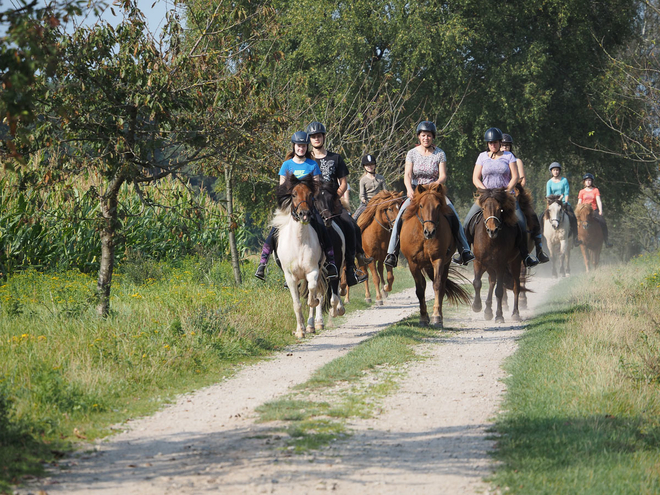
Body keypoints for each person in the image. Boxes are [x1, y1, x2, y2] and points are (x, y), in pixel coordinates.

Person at [383, 121, 475, 268]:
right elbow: (407, 174)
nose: (426, 138)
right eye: (423, 135)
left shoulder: (440, 153)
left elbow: (443, 175)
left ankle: (464, 249)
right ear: (419, 137)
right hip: (416, 191)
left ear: (433, 137)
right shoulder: (411, 153)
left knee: (453, 212)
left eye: (429, 136)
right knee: (400, 214)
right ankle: (392, 252)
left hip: (435, 191)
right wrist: (409, 189)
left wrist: (435, 185)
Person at [255, 131, 339, 281]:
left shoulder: (312, 164)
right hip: (290, 207)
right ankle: (263, 263)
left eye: (304, 146)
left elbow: (317, 187)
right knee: (274, 231)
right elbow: (282, 188)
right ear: (294, 146)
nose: (301, 148)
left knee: (322, 227)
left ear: (307, 147)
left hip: (308, 205)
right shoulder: (286, 165)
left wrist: (308, 198)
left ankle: (331, 263)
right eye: (299, 146)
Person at [463, 127, 549, 267]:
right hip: (486, 197)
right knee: (467, 221)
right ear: (487, 143)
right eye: (490, 143)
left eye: (495, 142)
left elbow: (515, 177)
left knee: (521, 222)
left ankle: (525, 255)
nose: (493, 145)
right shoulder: (482, 157)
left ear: (499, 142)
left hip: (505, 197)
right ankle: (465, 252)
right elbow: (475, 178)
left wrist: (507, 191)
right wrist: (485, 191)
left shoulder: (508, 157)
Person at [306, 121, 372, 286]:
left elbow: (343, 183)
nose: (316, 139)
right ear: (310, 139)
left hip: (332, 202)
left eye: (319, 136)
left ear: (323, 137)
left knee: (351, 225)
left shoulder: (335, 158)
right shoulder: (305, 160)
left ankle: (350, 269)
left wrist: (336, 196)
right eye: (313, 137)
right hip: (312, 203)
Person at [545, 162, 580, 247]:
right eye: (554, 170)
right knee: (542, 216)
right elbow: (548, 195)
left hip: (563, 202)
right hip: (553, 204)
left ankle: (575, 238)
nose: (556, 172)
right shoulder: (549, 182)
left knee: (573, 217)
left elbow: (566, 193)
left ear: (559, 171)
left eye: (557, 170)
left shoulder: (564, 180)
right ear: (551, 172)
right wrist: (550, 204)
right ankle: (542, 238)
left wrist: (565, 202)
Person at [577, 172, 612, 247]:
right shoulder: (581, 191)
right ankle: (577, 239)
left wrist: (600, 211)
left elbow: (598, 200)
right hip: (584, 211)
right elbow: (579, 202)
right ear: (584, 182)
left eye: (589, 180)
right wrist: (578, 211)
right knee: (577, 223)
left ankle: (606, 240)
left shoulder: (595, 190)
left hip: (593, 210)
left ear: (592, 181)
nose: (588, 182)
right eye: (586, 180)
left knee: (602, 222)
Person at [352, 154, 388, 221]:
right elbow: (362, 196)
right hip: (366, 204)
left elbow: (385, 192)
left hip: (379, 202)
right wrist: (366, 201)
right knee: (354, 219)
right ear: (364, 167)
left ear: (375, 165)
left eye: (371, 164)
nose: (370, 166)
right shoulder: (363, 180)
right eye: (367, 165)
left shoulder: (381, 178)